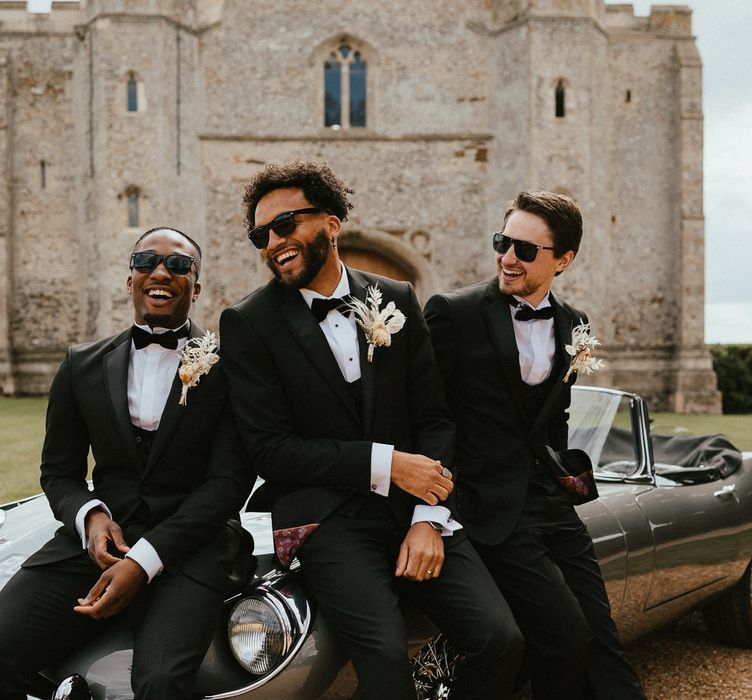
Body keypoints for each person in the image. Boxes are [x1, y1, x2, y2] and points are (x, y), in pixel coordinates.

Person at [219, 160, 523, 700]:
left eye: (285, 224)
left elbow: (434, 418)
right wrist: (386, 463)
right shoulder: (248, 323)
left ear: (331, 222)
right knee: (382, 660)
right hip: (325, 519)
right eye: (260, 234)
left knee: (500, 640)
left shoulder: (398, 298)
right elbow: (271, 451)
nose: (273, 242)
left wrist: (429, 518)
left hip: (414, 507)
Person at [0, 227, 254, 700]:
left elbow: (228, 483)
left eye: (178, 265)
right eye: (146, 262)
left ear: (195, 287)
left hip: (191, 547)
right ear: (130, 278)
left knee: (160, 683)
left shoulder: (230, 367)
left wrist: (145, 560)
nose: (161, 272)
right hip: (95, 545)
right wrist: (91, 517)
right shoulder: (82, 364)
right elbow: (59, 472)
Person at [424, 191, 646, 700]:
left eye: (526, 250)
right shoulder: (452, 313)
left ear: (562, 260)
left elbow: (552, 418)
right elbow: (427, 415)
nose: (507, 258)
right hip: (487, 508)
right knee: (565, 636)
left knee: (602, 638)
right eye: (503, 242)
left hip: (552, 505)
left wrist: (565, 471)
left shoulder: (574, 324)